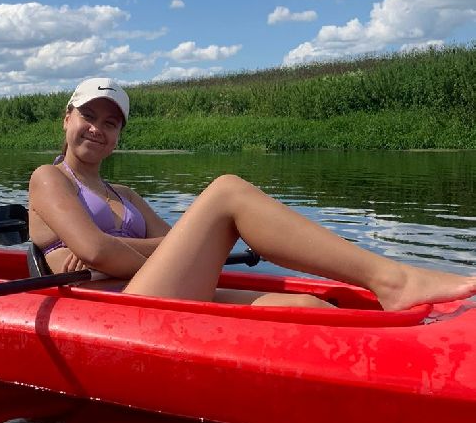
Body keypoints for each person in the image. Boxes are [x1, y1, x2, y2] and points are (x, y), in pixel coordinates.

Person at [28, 77, 476, 310]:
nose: (98, 129)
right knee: (226, 191)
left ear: (119, 135)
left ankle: (389, 305)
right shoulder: (49, 178)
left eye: (111, 123)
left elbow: (156, 247)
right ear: (67, 118)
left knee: (307, 305)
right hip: (112, 307)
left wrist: (120, 251)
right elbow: (97, 250)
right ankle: (394, 280)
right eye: (89, 115)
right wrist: (131, 252)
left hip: (148, 288)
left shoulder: (123, 193)